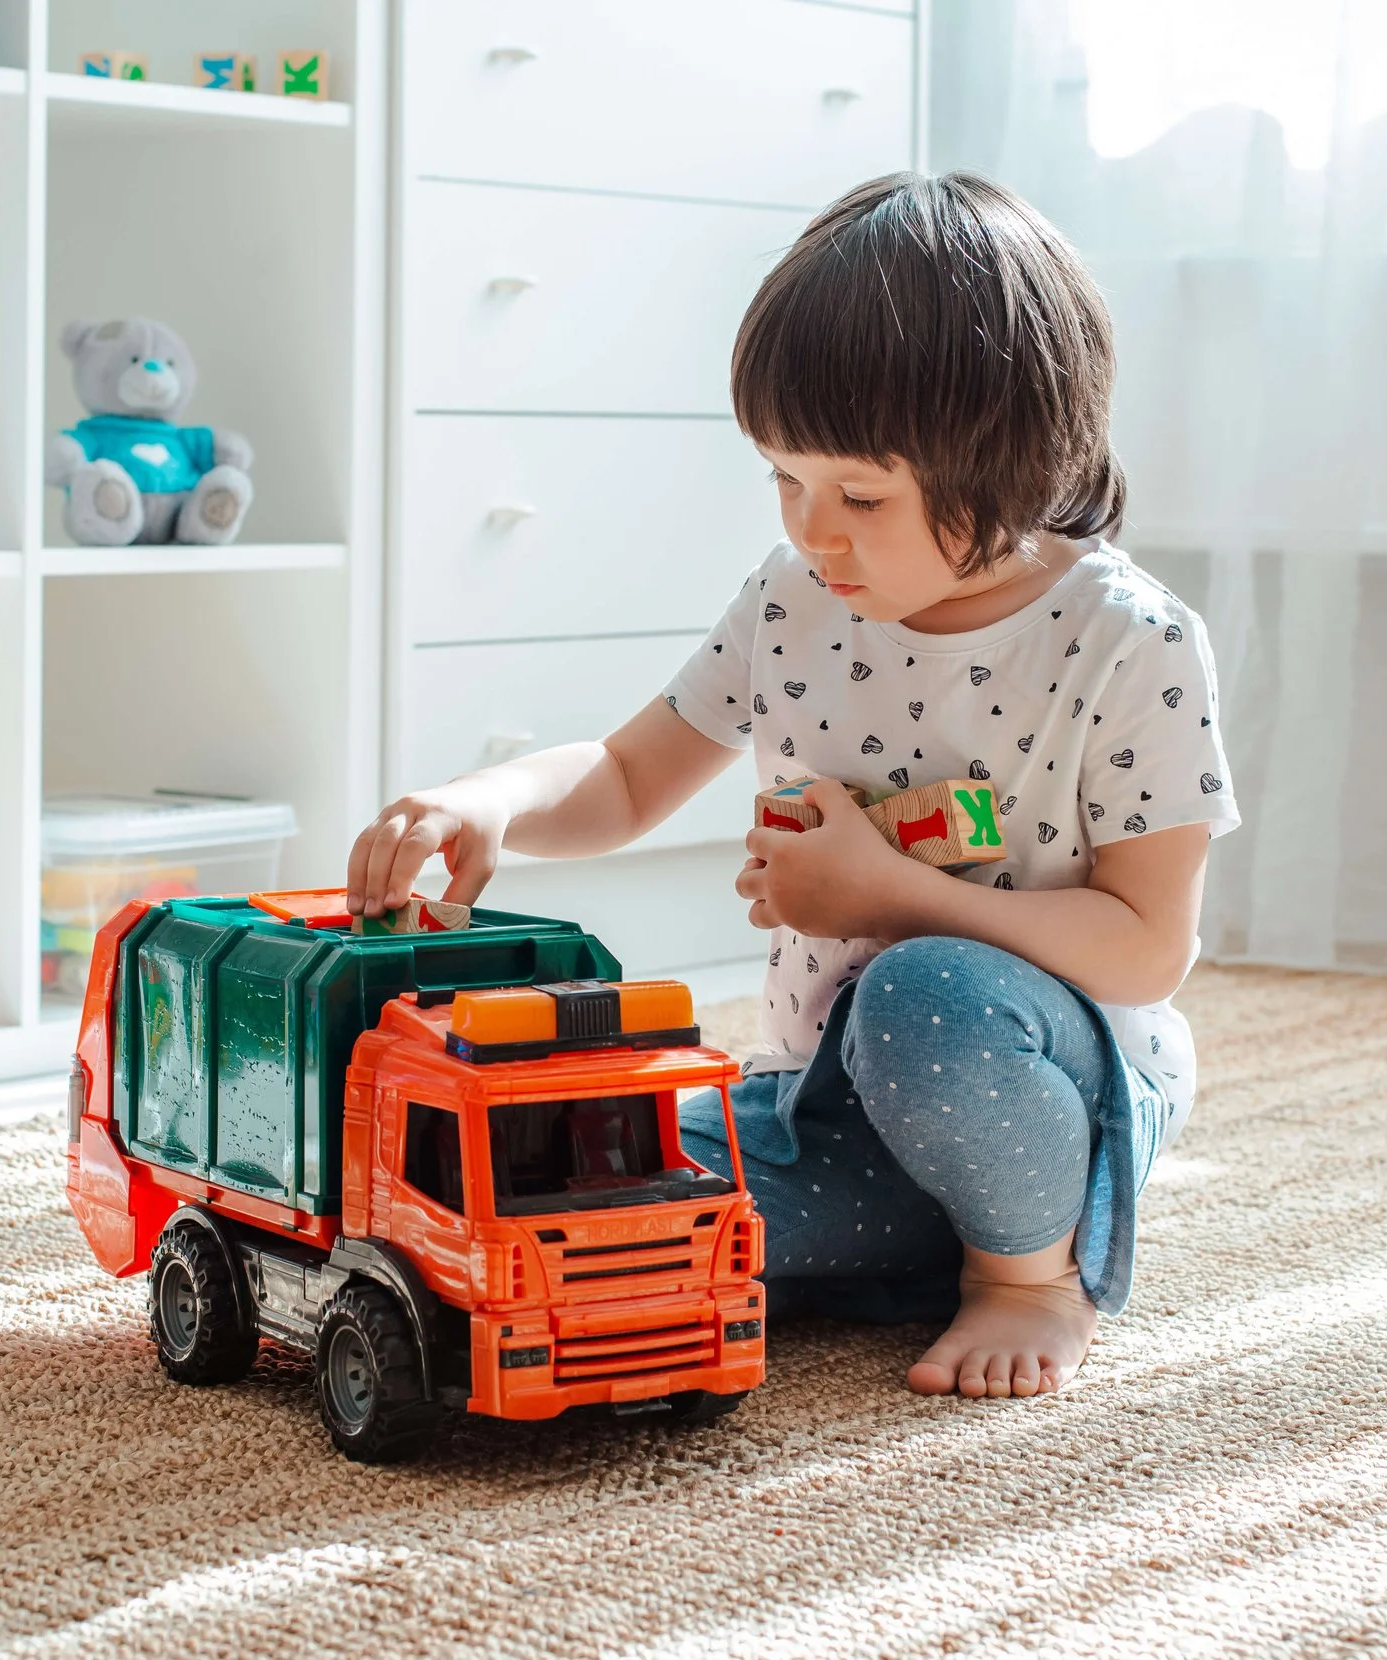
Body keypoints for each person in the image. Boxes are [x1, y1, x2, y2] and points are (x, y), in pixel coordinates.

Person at [346, 171, 1240, 1399]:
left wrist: (884, 894)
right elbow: (622, 775)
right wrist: (488, 798)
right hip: (828, 1102)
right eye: (785, 479)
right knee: (609, 1195)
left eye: (860, 496)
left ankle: (1029, 1272)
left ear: (1010, 459)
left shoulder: (1130, 640)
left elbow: (1144, 950)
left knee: (924, 995)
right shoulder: (795, 597)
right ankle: (918, 1239)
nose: (815, 531)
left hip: (1047, 1082)